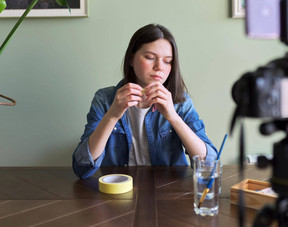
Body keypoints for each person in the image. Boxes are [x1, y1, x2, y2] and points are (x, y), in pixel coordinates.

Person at [72, 24, 218, 179]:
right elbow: (82, 168)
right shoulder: (104, 99)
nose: (159, 67)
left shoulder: (180, 100)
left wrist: (173, 118)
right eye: (150, 58)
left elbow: (209, 165)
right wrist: (112, 115)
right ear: (131, 59)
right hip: (118, 190)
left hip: (169, 191)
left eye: (167, 61)